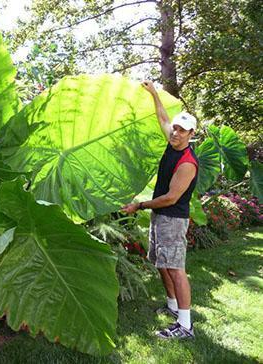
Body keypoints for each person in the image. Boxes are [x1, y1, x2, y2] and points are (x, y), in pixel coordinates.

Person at [122, 81, 198, 340]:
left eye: (182, 130)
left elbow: (170, 198)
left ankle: (186, 325)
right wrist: (154, 93)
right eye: (175, 128)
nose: (176, 133)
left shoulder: (187, 163)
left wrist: (139, 205)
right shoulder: (172, 141)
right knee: (162, 264)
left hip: (173, 219)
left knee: (176, 268)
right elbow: (163, 118)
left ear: (191, 135)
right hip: (161, 217)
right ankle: (173, 306)